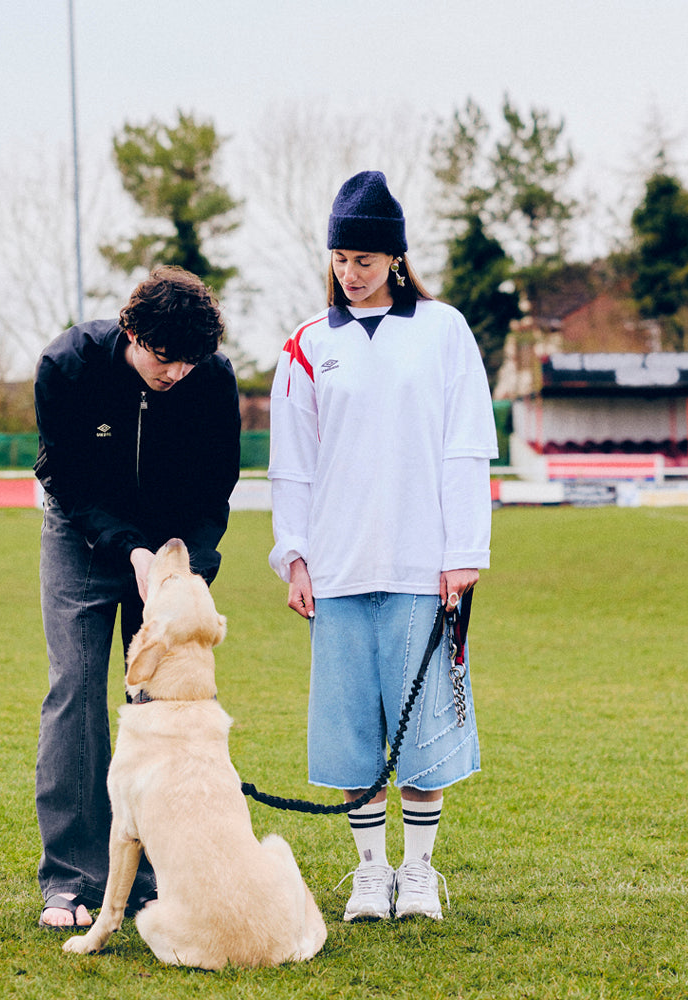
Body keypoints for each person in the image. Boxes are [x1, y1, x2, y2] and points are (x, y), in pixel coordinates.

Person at [267, 171, 495, 922]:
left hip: (422, 564)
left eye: (364, 259)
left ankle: (419, 874)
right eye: (340, 258)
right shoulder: (306, 345)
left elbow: (467, 444)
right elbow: (293, 462)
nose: (350, 272)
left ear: (395, 258)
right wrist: (292, 554)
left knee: (426, 723)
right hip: (335, 568)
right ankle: (370, 874)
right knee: (348, 729)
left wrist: (464, 550)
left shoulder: (443, 329)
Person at [33, 265, 241, 929]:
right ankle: (70, 877)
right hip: (83, 538)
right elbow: (62, 475)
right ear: (130, 331)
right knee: (77, 691)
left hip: (172, 545)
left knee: (161, 706)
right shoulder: (67, 367)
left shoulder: (211, 379)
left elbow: (215, 488)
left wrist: (190, 569)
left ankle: (153, 877)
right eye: (163, 357)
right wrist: (129, 549)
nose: (176, 372)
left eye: (189, 360)